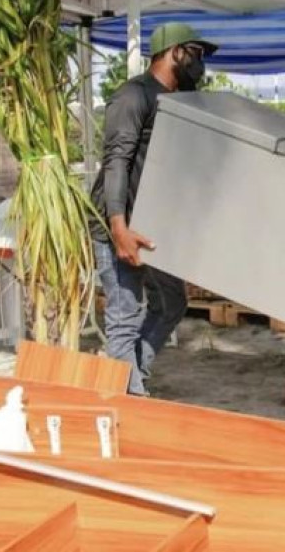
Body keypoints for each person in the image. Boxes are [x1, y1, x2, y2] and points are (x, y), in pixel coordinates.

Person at [89, 22, 218, 396]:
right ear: (175, 51)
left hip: (154, 224)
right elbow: (116, 162)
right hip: (119, 224)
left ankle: (131, 377)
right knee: (123, 318)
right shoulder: (134, 96)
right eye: (196, 53)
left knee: (172, 303)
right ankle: (130, 398)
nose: (201, 63)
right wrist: (119, 228)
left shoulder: (182, 101)